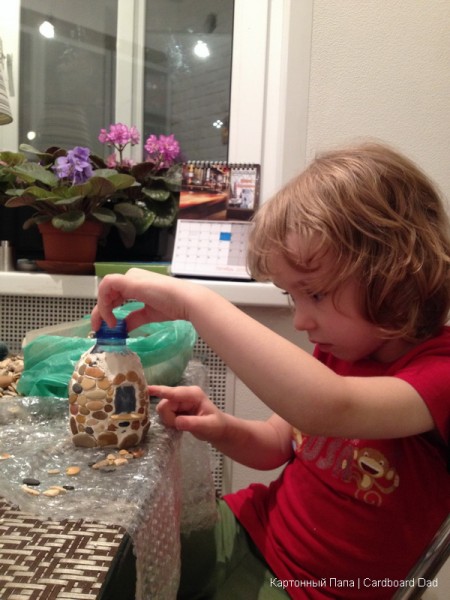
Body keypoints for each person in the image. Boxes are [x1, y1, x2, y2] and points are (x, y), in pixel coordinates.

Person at [91, 141, 450, 599]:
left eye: (314, 293)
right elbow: (278, 443)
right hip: (249, 529)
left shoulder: (440, 374)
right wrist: (221, 426)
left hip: (313, 590)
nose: (301, 321)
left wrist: (192, 301)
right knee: (112, 558)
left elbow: (329, 407)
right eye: (291, 296)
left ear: (396, 274)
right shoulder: (340, 354)